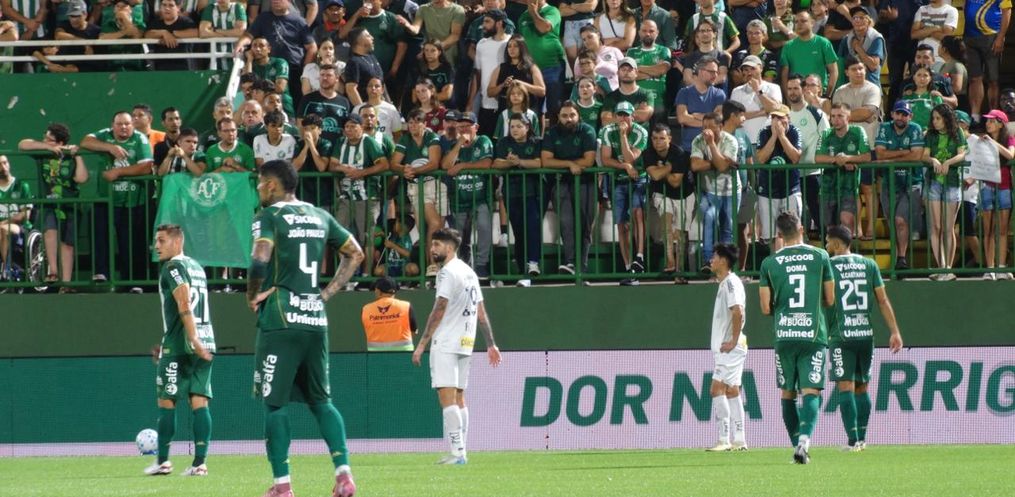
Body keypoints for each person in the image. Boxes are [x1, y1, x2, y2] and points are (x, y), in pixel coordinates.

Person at [247, 160, 362, 497]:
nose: (258, 189)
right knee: (321, 401)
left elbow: (260, 256)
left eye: (260, 183)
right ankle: (344, 475)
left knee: (275, 404)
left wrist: (252, 294)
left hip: (280, 316)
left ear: (271, 185)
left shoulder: (268, 216)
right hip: (314, 317)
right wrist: (326, 293)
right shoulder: (319, 215)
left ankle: (282, 485)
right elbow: (355, 253)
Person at [411, 227, 503, 464]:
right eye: (432, 245)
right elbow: (481, 312)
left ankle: (457, 453)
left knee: (447, 397)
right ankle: (462, 451)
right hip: (465, 342)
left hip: (446, 342)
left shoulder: (447, 273)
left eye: (437, 245)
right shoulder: (469, 272)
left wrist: (422, 344)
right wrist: (491, 344)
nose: (432, 249)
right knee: (459, 398)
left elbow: (439, 309)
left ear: (450, 248)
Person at [758, 210, 835, 465]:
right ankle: (804, 442)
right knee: (811, 390)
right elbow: (830, 298)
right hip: (812, 333)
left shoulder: (769, 263)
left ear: (779, 234)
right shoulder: (820, 256)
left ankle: (796, 447)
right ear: (801, 229)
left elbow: (765, 307)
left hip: (784, 334)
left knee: (787, 393)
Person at [144, 224, 215, 476]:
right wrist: (198, 340)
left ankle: (163, 461)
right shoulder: (197, 267)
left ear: (177, 242)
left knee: (167, 400)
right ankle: (199, 464)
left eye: (162, 240)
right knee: (199, 401)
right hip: (206, 341)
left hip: (182, 344)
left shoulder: (172, 267)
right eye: (156, 241)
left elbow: (183, 299)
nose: (157, 246)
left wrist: (191, 338)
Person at [824, 225, 903, 451]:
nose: (826, 246)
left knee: (845, 386)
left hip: (841, 335)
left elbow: (824, 299)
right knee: (862, 387)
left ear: (837, 244)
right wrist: (895, 331)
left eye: (828, 241)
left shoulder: (828, 266)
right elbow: (882, 300)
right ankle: (862, 439)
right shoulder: (870, 265)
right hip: (865, 335)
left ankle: (852, 440)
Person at [80, 111, 155, 287]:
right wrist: (109, 147)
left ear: (132, 125)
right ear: (112, 125)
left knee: (130, 243)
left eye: (127, 124)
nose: (123, 127)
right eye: (119, 124)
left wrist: (118, 172)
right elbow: (85, 142)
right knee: (99, 234)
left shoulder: (140, 139)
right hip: (105, 198)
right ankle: (101, 273)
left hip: (132, 201)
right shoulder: (105, 135)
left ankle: (132, 281)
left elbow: (146, 167)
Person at [17, 124, 87, 290]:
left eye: (49, 139)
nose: (44, 141)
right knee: (50, 231)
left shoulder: (69, 156)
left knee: (67, 244)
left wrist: (77, 156)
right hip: (48, 203)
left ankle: (66, 284)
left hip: (69, 204)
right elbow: (22, 144)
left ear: (60, 142)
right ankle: (53, 271)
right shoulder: (42, 153)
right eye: (45, 138)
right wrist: (47, 146)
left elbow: (82, 178)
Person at [541, 101, 598, 275]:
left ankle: (582, 266)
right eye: (564, 116)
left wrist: (562, 163)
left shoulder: (587, 130)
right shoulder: (551, 133)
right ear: (558, 117)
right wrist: (569, 164)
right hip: (560, 182)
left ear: (578, 115)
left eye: (572, 115)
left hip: (586, 182)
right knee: (566, 223)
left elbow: (589, 161)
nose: (569, 119)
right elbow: (546, 161)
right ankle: (571, 262)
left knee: (585, 224)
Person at [832, 57, 882, 241]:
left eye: (861, 68)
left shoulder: (873, 88)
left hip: (868, 146)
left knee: (868, 188)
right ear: (846, 72)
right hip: (845, 147)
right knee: (852, 190)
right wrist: (857, 115)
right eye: (854, 69)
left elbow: (868, 112)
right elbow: (835, 117)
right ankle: (857, 229)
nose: (859, 72)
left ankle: (871, 229)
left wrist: (846, 115)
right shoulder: (840, 91)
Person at [705, 242, 748, 451]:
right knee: (732, 390)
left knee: (716, 389)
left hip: (731, 347)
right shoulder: (725, 283)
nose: (711, 260)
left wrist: (733, 340)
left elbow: (737, 311)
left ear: (723, 260)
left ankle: (724, 439)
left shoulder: (731, 283)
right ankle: (739, 439)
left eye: (714, 257)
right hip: (732, 347)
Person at [441, 112, 494, 280]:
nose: (463, 129)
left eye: (467, 126)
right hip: (459, 198)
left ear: (476, 127)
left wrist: (463, 165)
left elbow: (487, 163)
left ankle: (482, 265)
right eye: (460, 126)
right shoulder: (453, 145)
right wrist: (458, 144)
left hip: (480, 197)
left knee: (484, 228)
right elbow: (446, 166)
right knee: (460, 238)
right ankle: (461, 269)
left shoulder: (483, 140)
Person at [233, 0, 317, 106]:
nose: (276, 1)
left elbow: (312, 47)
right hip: (268, 67)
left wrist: (305, 69)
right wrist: (240, 44)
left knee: (294, 104)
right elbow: (249, 36)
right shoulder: (263, 18)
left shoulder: (299, 21)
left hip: (294, 70)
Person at [493, 112, 543, 284]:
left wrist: (519, 162)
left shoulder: (536, 142)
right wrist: (511, 163)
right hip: (511, 192)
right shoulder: (504, 142)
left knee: (532, 228)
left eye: (519, 126)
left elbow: (538, 163)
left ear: (527, 127)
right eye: (512, 126)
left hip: (533, 192)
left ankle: (533, 263)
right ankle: (523, 270)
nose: (515, 130)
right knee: (519, 232)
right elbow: (496, 164)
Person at [874, 100, 925, 271]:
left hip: (912, 182)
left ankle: (901, 258)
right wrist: (905, 152)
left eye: (905, 114)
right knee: (893, 222)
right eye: (898, 113)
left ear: (911, 116)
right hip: (889, 182)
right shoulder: (884, 127)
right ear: (892, 114)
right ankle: (897, 257)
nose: (901, 117)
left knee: (900, 220)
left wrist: (890, 159)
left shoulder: (915, 128)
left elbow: (917, 156)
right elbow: (879, 154)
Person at [602, 101, 649, 280]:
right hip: (617, 180)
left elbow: (631, 157)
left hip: (639, 178)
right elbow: (606, 159)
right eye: (619, 114)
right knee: (621, 223)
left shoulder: (641, 132)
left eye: (626, 115)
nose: (623, 118)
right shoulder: (607, 131)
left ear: (633, 117)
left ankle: (639, 257)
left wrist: (622, 136)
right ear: (615, 117)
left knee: (638, 212)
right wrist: (625, 167)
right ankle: (629, 266)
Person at [691, 112, 740, 273]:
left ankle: (725, 265)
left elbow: (722, 167)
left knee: (727, 228)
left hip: (730, 190)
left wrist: (712, 145)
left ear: (720, 126)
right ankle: (708, 260)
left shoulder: (730, 140)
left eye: (711, 127)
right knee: (709, 217)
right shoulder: (698, 140)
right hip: (710, 190)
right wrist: (718, 162)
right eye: (704, 127)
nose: (707, 131)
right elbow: (695, 166)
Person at [645, 124, 694, 283]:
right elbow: (655, 176)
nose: (658, 142)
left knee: (681, 233)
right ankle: (670, 261)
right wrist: (670, 167)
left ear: (669, 139)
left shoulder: (679, 153)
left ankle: (680, 271)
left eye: (662, 138)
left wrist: (664, 169)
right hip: (662, 193)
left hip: (684, 194)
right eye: (655, 138)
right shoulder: (648, 153)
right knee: (666, 222)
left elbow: (675, 182)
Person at [923, 104, 967, 281]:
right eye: (933, 118)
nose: (935, 121)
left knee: (949, 228)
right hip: (934, 181)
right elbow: (924, 155)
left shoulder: (957, 132)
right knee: (936, 227)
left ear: (946, 119)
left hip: (952, 182)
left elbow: (962, 154)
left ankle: (948, 268)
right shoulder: (930, 135)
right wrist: (933, 159)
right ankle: (941, 267)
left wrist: (948, 162)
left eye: (938, 118)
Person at [814, 103, 871, 233]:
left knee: (847, 221)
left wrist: (848, 158)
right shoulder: (826, 133)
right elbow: (818, 158)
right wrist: (838, 159)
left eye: (840, 116)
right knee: (830, 228)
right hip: (828, 188)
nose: (835, 119)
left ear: (848, 118)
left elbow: (867, 156)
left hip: (849, 187)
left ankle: (847, 247)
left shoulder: (858, 132)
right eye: (833, 116)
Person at [786, 74, 831, 232]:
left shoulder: (815, 113)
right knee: (794, 216)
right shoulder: (785, 115)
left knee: (818, 214)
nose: (792, 92)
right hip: (792, 174)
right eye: (789, 89)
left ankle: (826, 244)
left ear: (804, 89)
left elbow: (827, 136)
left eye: (796, 88)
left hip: (814, 172)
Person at [755, 105, 803, 252]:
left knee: (792, 230)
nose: (777, 121)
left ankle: (793, 259)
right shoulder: (764, 132)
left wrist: (782, 136)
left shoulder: (794, 132)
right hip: (767, 189)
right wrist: (774, 136)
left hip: (790, 188)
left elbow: (795, 158)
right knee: (770, 234)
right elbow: (761, 159)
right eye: (774, 117)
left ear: (788, 119)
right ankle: (775, 260)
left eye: (781, 117)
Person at [975, 110, 1015, 280]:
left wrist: (992, 142)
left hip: (1004, 186)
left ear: (1000, 124)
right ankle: (989, 268)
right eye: (987, 121)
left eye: (991, 121)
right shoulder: (982, 141)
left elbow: (1010, 154)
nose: (987, 123)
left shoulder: (1008, 139)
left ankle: (1002, 267)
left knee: (1003, 230)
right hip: (987, 186)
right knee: (988, 230)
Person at [517, 0, 566, 119]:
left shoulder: (552, 11)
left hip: (552, 66)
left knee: (554, 106)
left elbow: (544, 28)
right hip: (531, 70)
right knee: (533, 108)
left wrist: (533, 13)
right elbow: (521, 42)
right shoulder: (523, 16)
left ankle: (555, 130)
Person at [964, 0, 1010, 122]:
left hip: (991, 37)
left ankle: (993, 116)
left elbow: (1006, 11)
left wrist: (1000, 37)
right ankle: (975, 116)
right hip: (969, 36)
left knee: (993, 80)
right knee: (974, 79)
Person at [780, 11, 838, 98]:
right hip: (796, 97)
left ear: (812, 23)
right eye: (796, 22)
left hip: (818, 96)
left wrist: (827, 96)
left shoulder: (823, 43)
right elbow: (784, 75)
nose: (799, 24)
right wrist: (788, 98)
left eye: (803, 21)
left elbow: (834, 71)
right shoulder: (788, 46)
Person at [472, 10, 511, 134]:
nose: (483, 25)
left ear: (499, 23)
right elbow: (477, 74)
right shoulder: (481, 44)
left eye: (487, 22)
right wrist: (471, 101)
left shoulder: (512, 43)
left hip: (508, 105)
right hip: (486, 104)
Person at [674, 56, 725, 150]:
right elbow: (682, 118)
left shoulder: (719, 94)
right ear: (701, 71)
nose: (715, 75)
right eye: (712, 72)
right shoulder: (684, 93)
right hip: (689, 147)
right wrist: (709, 123)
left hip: (712, 148)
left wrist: (695, 116)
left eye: (716, 72)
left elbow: (718, 119)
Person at [297, 64, 352, 143]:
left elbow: (346, 127)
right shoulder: (308, 99)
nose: (324, 78)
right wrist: (306, 144)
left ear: (337, 78)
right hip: (313, 146)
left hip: (336, 148)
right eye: (322, 75)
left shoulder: (344, 102)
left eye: (329, 75)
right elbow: (300, 123)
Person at [397, 0, 466, 63]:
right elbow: (415, 30)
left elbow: (455, 36)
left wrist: (434, 49)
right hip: (429, 55)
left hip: (448, 56)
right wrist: (407, 25)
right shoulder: (423, 8)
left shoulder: (457, 10)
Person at [361, 276, 418, 351]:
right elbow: (414, 331)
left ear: (378, 291)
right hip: (404, 354)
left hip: (376, 355)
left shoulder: (366, 309)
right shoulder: (406, 306)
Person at [0, 155, 32, 278]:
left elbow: (25, 215)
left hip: (20, 227)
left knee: (4, 229)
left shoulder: (21, 185)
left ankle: (6, 270)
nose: (3, 167)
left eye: (5, 163)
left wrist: (3, 223)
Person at [145, 0, 199, 71]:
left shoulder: (186, 22)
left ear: (178, 8)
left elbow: (196, 32)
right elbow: (147, 34)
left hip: (184, 68)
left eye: (171, 5)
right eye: (164, 5)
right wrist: (164, 33)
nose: (167, 8)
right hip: (160, 68)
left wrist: (173, 34)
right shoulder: (156, 23)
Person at [837, 7, 885, 87]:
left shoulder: (876, 38)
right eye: (855, 18)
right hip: (851, 87)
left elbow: (873, 66)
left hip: (871, 87)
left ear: (868, 21)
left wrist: (858, 48)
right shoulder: (846, 39)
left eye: (861, 18)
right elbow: (840, 66)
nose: (857, 20)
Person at [341, 28, 384, 107]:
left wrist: (388, 103)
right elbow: (351, 89)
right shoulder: (354, 62)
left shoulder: (372, 57)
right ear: (359, 41)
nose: (372, 38)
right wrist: (363, 109)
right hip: (367, 108)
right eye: (368, 36)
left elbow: (381, 83)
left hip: (380, 106)